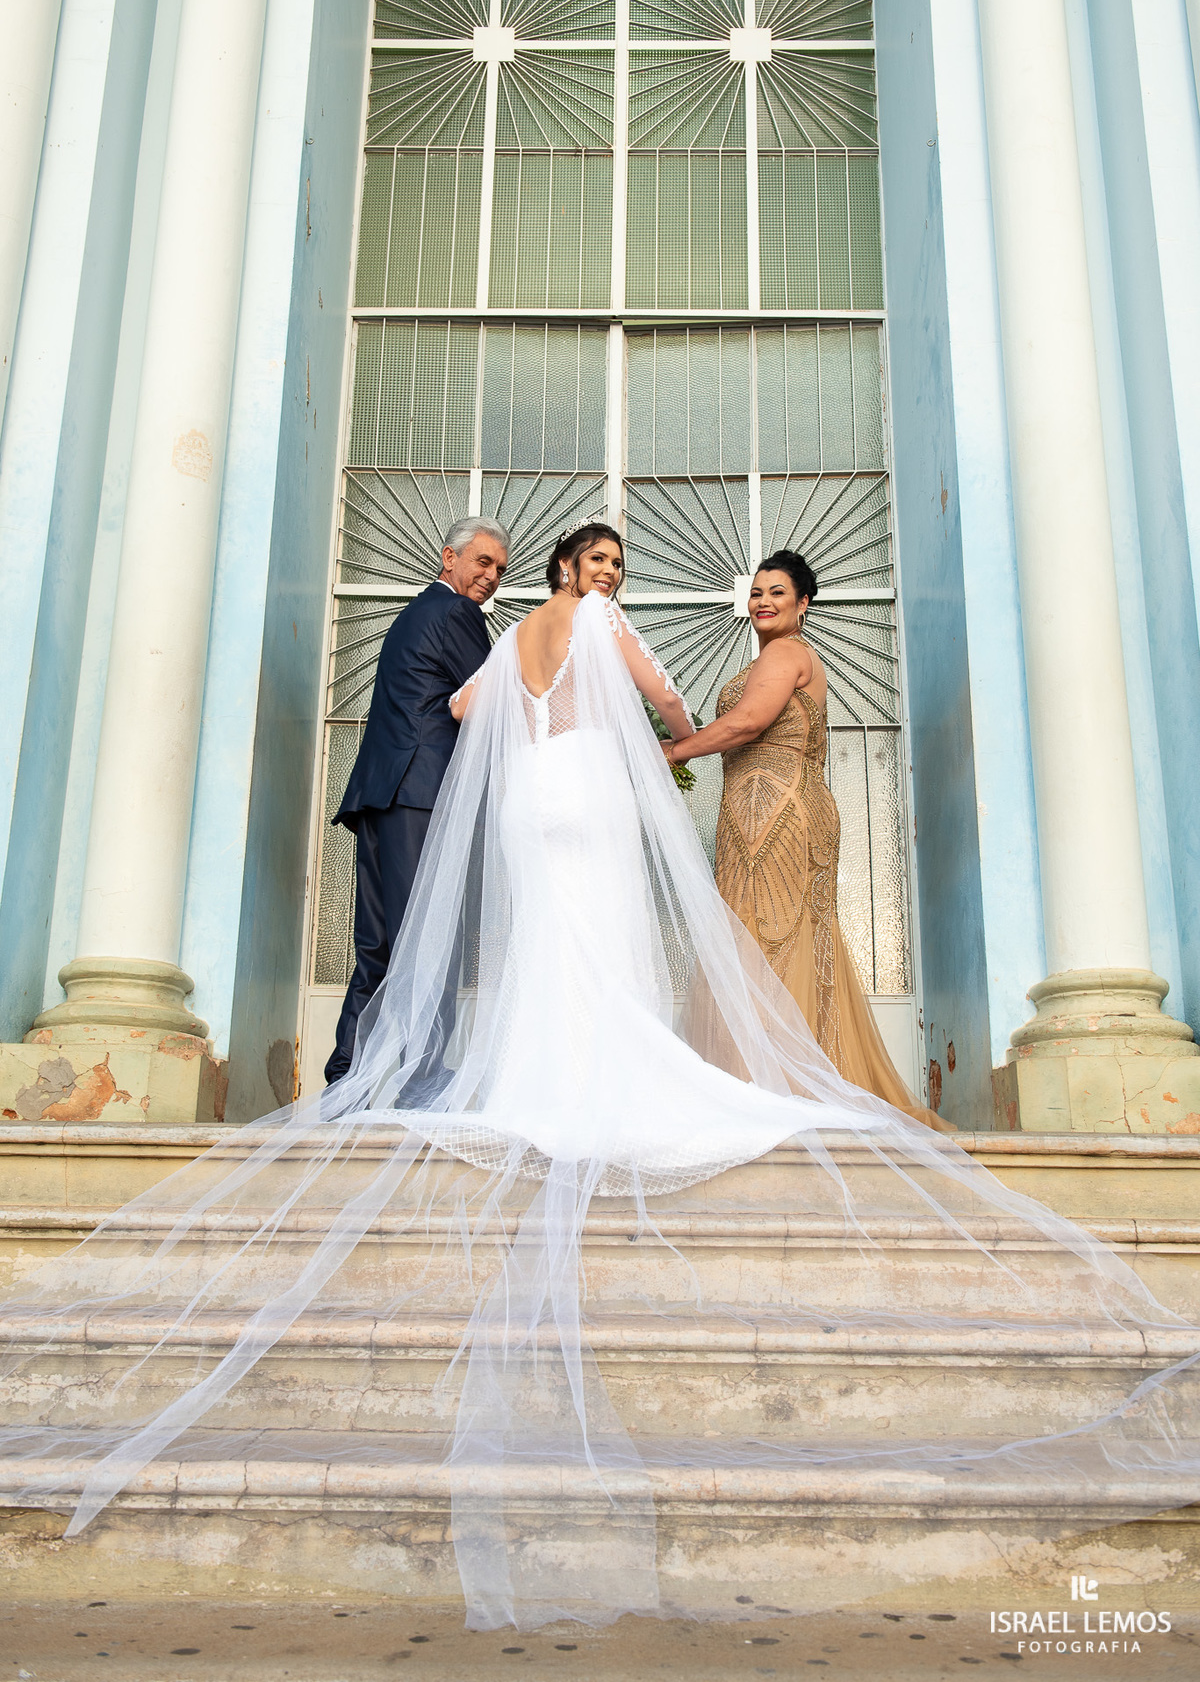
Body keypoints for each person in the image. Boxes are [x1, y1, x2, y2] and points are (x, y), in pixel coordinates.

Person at [1, 529, 1197, 1635]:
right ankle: (618, 1067)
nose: (614, 574)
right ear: (590, 572)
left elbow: (467, 709)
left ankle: (536, 1075)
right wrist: (646, 723)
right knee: (609, 937)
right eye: (608, 560)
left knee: (542, 949)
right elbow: (672, 704)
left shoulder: (516, 631)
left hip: (528, 800)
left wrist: (541, 729)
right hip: (591, 793)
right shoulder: (607, 625)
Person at [661, 548, 950, 1130]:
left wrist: (667, 751)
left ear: (803, 604)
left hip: (779, 815)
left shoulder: (789, 653)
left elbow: (747, 723)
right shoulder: (777, 657)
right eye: (757, 593)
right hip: (756, 811)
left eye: (777, 594)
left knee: (768, 938)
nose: (763, 602)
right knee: (757, 938)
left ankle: (774, 1084)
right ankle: (763, 1078)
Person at [324, 516, 509, 1086]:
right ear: (448, 558)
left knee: (379, 943)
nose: (491, 577)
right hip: (424, 796)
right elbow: (494, 699)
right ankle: (423, 1078)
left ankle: (345, 1081)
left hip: (383, 794)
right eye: (482, 562)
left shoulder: (413, 614)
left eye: (501, 569)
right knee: (433, 935)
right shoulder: (456, 613)